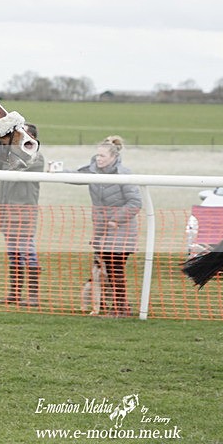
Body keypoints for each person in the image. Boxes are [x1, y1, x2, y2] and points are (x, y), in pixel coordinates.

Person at [0, 124, 45, 307]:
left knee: (27, 253)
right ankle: (15, 294)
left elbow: (17, 168)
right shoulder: (11, 156)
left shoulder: (35, 157)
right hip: (7, 213)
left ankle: (33, 296)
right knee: (14, 255)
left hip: (23, 214)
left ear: (31, 137)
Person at [77, 136, 141, 318]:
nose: (98, 158)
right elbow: (74, 175)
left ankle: (121, 309)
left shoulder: (124, 175)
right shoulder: (94, 172)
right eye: (97, 155)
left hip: (121, 232)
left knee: (115, 269)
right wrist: (55, 172)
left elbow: (135, 202)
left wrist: (116, 220)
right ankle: (111, 306)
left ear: (113, 157)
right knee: (108, 270)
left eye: (102, 156)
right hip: (102, 232)